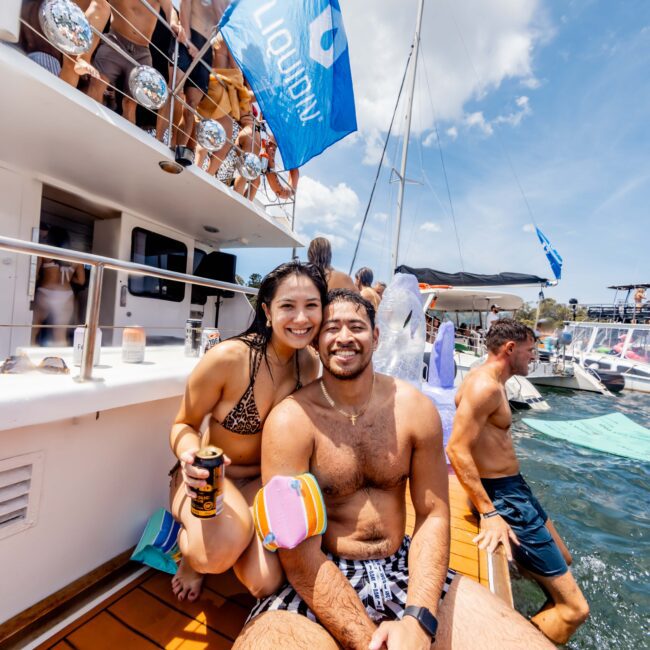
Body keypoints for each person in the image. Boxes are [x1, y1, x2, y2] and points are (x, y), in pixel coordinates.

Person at [234, 291, 554, 650]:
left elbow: (433, 514)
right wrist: (368, 640)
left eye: (356, 326)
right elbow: (295, 549)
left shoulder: (415, 410)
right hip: (319, 572)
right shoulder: (291, 420)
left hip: (405, 565)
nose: (344, 337)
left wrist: (419, 619)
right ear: (315, 341)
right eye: (331, 328)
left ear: (376, 336)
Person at [169, 262, 326, 603]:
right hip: (207, 481)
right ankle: (190, 552)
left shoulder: (310, 366)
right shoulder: (229, 358)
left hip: (261, 486)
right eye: (288, 306)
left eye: (311, 306)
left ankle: (231, 535)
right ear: (267, 311)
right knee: (212, 556)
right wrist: (190, 457)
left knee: (265, 582)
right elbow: (184, 424)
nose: (301, 318)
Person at [446, 319, 589, 644]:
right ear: (510, 349)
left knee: (564, 559)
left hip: (515, 489)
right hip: (505, 498)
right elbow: (456, 449)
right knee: (575, 609)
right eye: (530, 350)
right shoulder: (485, 387)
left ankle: (523, 593)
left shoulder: (487, 380)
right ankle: (517, 637)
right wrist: (490, 512)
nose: (533, 357)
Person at [88, 0, 182, 124]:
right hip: (115, 41)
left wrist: (174, 23)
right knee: (97, 82)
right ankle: (87, 125)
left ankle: (122, 141)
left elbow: (170, 10)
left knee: (130, 103)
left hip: (142, 51)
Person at [32, 226, 86, 346]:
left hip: (46, 291)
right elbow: (81, 281)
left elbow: (34, 275)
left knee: (35, 329)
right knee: (60, 334)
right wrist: (70, 278)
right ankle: (58, 361)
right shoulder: (76, 258)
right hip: (66, 294)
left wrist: (43, 276)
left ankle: (30, 358)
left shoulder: (44, 252)